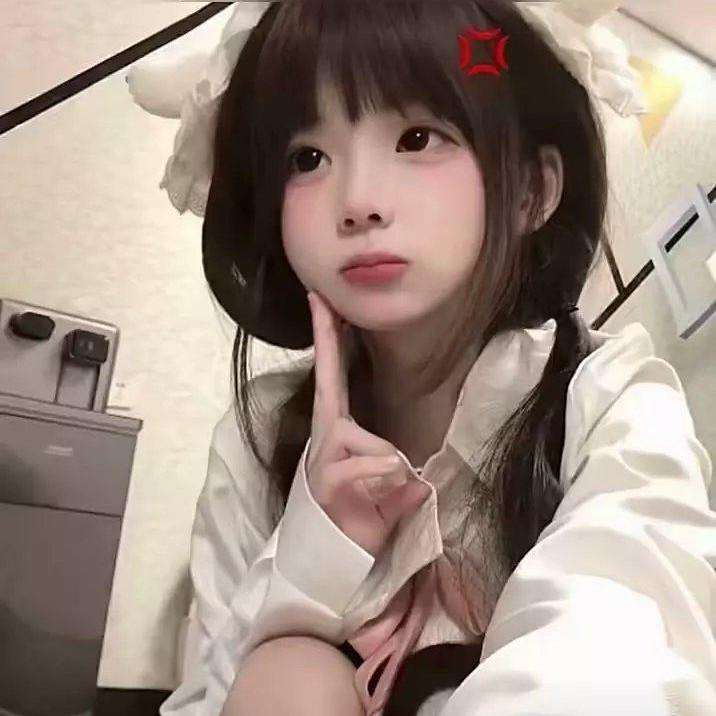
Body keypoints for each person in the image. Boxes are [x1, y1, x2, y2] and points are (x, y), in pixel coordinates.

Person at [156, 1, 716, 715]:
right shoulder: (261, 435)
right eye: (308, 158)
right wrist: (310, 560)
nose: (358, 202)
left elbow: (616, 644)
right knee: (291, 670)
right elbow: (209, 698)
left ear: (532, 189)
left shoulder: (609, 400)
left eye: (417, 138)